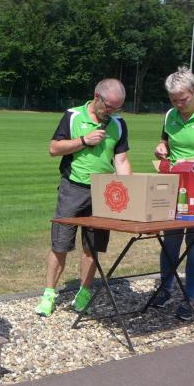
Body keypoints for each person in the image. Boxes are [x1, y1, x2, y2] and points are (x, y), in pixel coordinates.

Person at [35, 79, 132, 317]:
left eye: (117, 108)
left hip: (104, 192)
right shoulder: (73, 116)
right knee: (60, 244)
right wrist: (83, 141)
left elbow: (121, 161)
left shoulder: (118, 124)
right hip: (72, 188)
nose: (112, 112)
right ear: (97, 97)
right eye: (109, 107)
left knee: (92, 246)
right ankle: (49, 294)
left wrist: (129, 190)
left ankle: (84, 292)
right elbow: (53, 148)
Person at [152, 67, 194, 321]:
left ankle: (190, 296)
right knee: (171, 239)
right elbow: (165, 141)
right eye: (173, 100)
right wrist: (161, 147)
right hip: (175, 187)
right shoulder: (170, 115)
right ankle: (165, 288)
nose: (179, 104)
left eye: (183, 99)